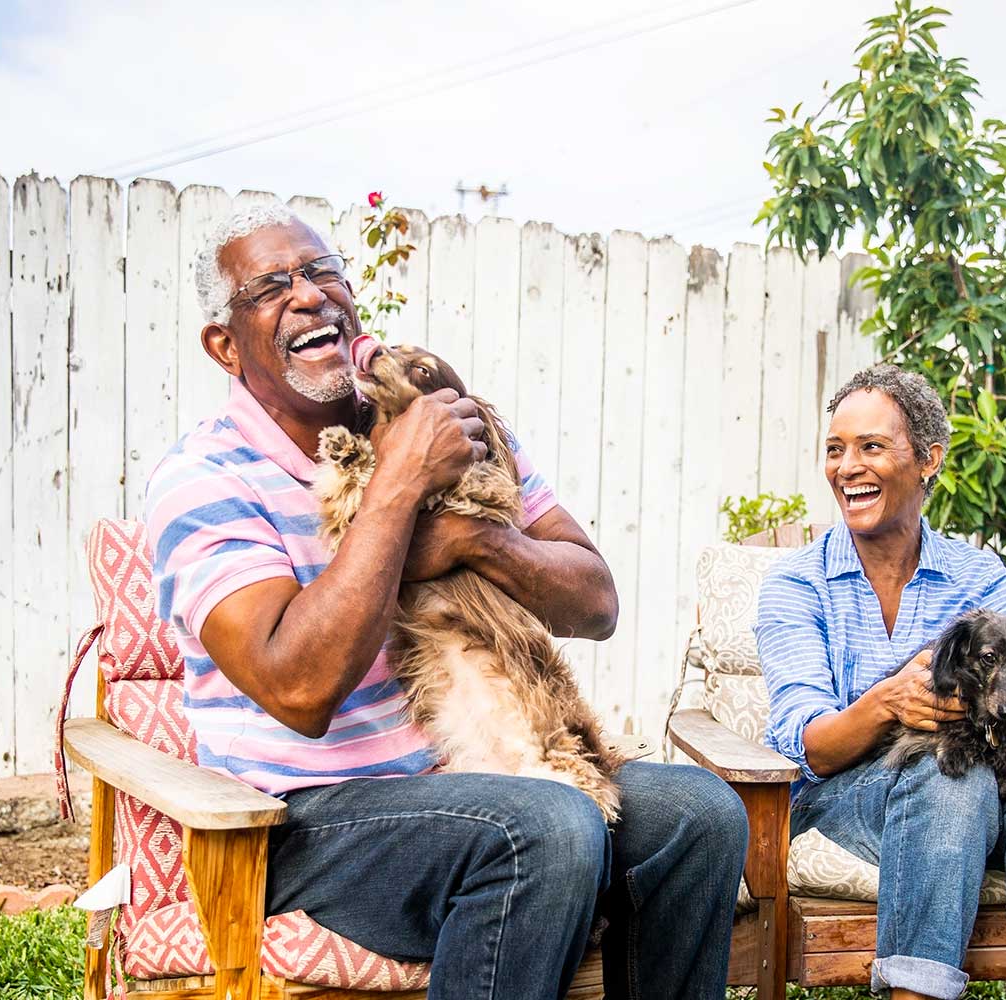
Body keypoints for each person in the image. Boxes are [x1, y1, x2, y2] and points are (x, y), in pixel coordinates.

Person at [144, 200, 748, 1000]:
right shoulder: (203, 481)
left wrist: (476, 540)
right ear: (225, 344)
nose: (310, 294)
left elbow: (595, 602)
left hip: (484, 766)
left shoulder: (441, 426)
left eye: (324, 272)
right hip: (309, 820)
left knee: (701, 813)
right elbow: (300, 688)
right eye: (272, 286)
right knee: (541, 829)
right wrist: (398, 484)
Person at [754, 364, 1006, 1000]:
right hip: (841, 799)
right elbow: (809, 747)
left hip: (990, 790)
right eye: (836, 449)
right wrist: (886, 703)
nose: (847, 466)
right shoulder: (796, 584)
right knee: (952, 777)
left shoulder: (979, 578)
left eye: (872, 446)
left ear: (929, 459)